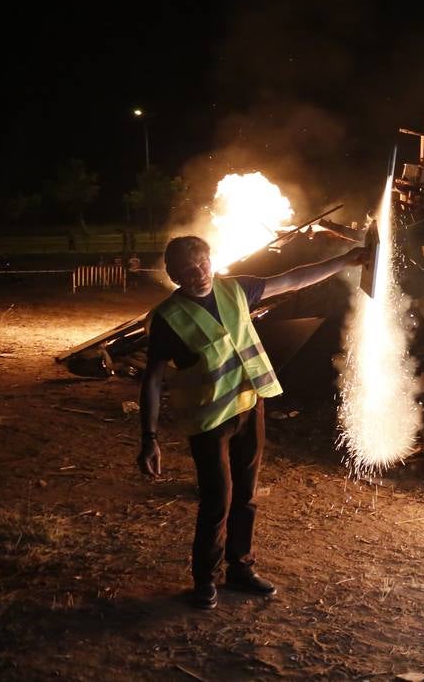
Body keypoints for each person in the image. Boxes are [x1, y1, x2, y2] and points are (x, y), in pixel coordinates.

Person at [136, 234, 367, 609]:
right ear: (175, 276)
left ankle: (240, 569)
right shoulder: (168, 319)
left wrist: (343, 261)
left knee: (246, 495)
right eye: (187, 270)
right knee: (217, 501)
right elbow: (153, 379)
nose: (199, 274)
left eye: (202, 263)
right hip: (209, 420)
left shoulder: (236, 290)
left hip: (249, 406)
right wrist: (149, 437)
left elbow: (293, 278)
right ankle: (204, 580)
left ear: (212, 259)